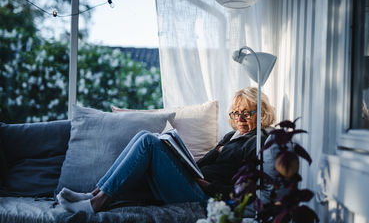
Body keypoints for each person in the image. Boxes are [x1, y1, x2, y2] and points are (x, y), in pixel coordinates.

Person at [57, 87, 276, 213]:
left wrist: (206, 184)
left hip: (204, 197)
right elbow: (206, 165)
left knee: (147, 143)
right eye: (236, 113)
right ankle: (95, 193)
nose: (240, 118)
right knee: (148, 136)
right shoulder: (232, 136)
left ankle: (97, 202)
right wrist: (182, 162)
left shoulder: (257, 142)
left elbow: (245, 189)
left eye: (248, 112)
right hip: (193, 184)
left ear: (262, 112)